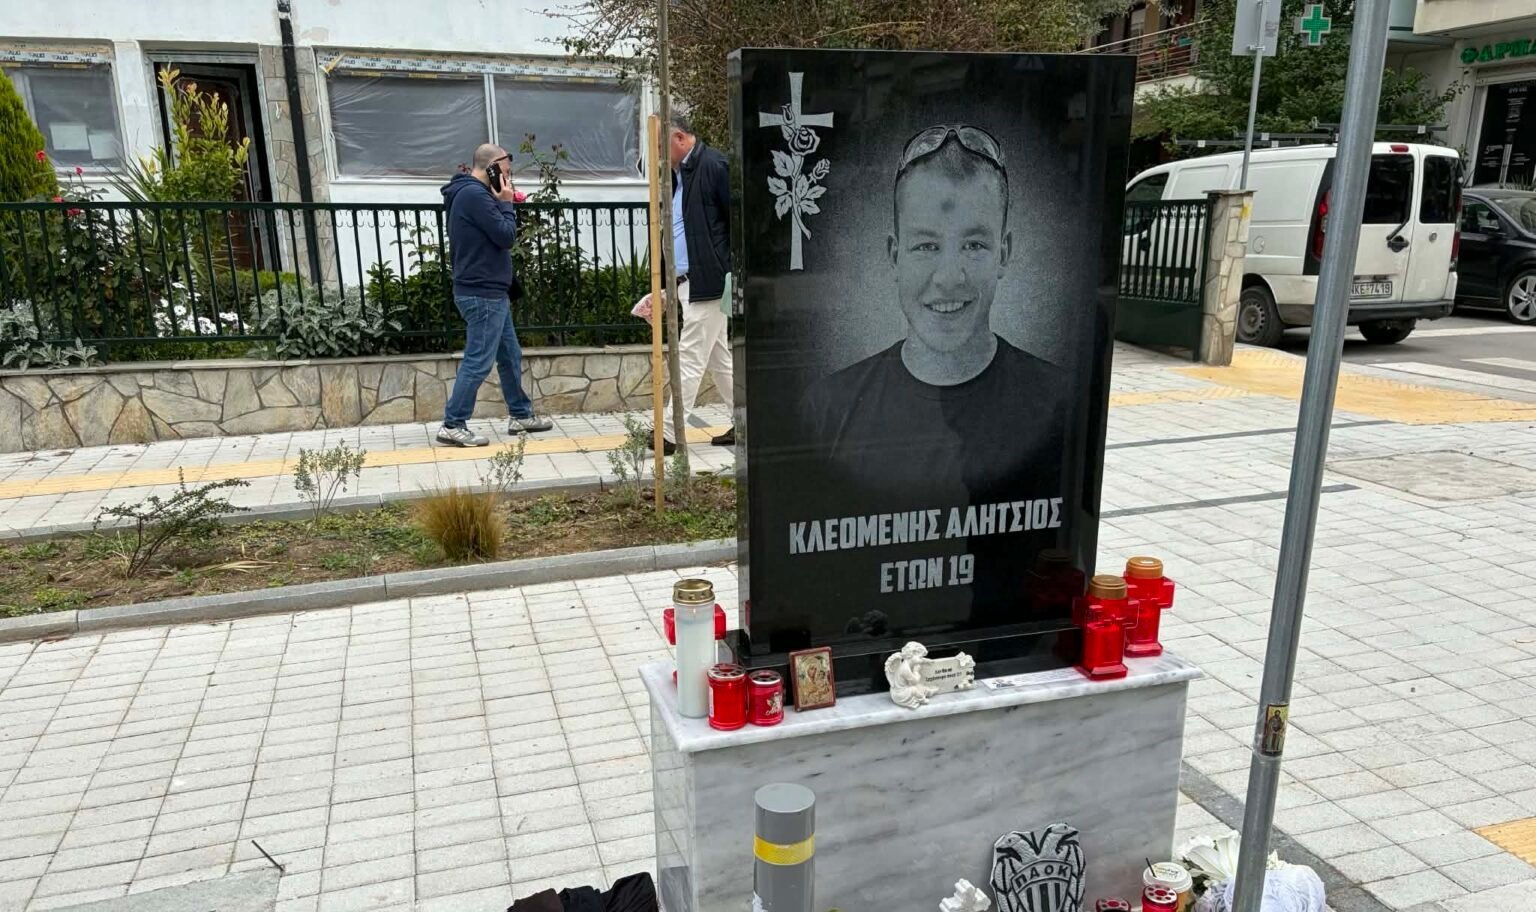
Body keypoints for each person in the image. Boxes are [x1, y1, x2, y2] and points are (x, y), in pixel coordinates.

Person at [803, 124, 1069, 496]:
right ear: (894, 256)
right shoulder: (829, 409)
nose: (948, 278)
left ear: (1004, 253)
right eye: (927, 246)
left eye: (974, 245)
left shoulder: (1060, 402)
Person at [436, 143, 553, 447]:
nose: (508, 175)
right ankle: (453, 423)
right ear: (492, 166)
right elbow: (505, 236)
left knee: (509, 354)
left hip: (489, 291)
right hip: (483, 293)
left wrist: (500, 201)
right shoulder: (474, 195)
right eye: (506, 169)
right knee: (478, 360)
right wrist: (506, 203)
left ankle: (521, 414)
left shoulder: (470, 194)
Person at [651, 114, 735, 455]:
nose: (658, 154)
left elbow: (737, 222)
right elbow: (677, 231)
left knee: (689, 357)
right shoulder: (680, 176)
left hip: (709, 281)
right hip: (691, 282)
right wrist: (667, 283)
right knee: (719, 359)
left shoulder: (714, 166)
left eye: (661, 146)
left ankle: (670, 433)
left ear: (680, 138)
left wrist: (726, 269)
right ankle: (745, 421)